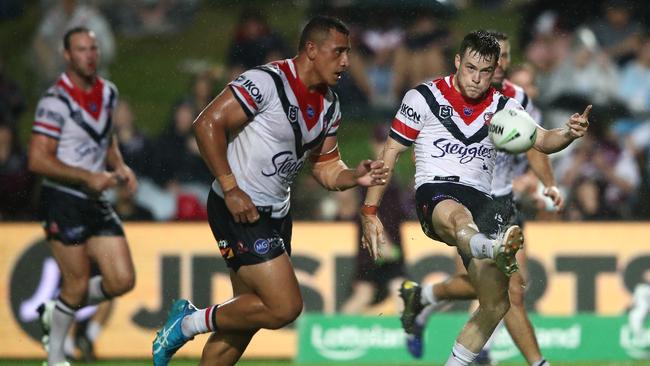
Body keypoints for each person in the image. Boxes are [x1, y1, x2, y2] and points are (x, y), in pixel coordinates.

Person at [151, 16, 388, 366]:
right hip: (239, 209)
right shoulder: (266, 82)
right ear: (311, 49)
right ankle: (186, 323)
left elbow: (325, 168)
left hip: (276, 214)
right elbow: (207, 125)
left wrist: (355, 176)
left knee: (242, 320)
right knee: (285, 307)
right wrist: (231, 189)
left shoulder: (329, 105)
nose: (346, 62)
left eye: (348, 53)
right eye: (338, 52)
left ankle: (192, 326)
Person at [360, 30, 590, 366]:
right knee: (458, 218)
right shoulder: (423, 97)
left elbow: (543, 141)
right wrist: (370, 209)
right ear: (457, 61)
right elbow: (391, 152)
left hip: (486, 203)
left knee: (496, 301)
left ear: (496, 70)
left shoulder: (504, 107)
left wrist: (569, 132)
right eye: (470, 68)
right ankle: (491, 250)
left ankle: (447, 343)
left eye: (485, 72)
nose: (476, 79)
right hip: (436, 193)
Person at [404, 31, 563, 366]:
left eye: (504, 57)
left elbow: (535, 144)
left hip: (504, 201)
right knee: (500, 290)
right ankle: (533, 362)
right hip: (469, 199)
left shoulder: (517, 99)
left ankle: (425, 297)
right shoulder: (451, 95)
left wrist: (547, 182)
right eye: (497, 57)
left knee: (509, 290)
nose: (499, 63)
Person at [28, 27, 137, 366]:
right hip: (63, 198)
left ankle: (57, 309)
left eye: (93, 48)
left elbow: (106, 138)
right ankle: (55, 357)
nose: (89, 55)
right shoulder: (55, 101)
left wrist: (120, 165)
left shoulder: (108, 92)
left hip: (94, 200)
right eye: (81, 49)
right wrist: (87, 176)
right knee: (76, 285)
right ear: (67, 55)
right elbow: (38, 159)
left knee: (122, 280)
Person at [340, 125, 410, 314]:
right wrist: (381, 240)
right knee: (365, 293)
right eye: (381, 142)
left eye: (388, 143)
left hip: (391, 243)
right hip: (375, 241)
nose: (384, 148)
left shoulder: (393, 174)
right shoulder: (373, 174)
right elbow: (367, 210)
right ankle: (333, 330)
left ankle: (405, 336)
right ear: (373, 144)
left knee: (397, 290)